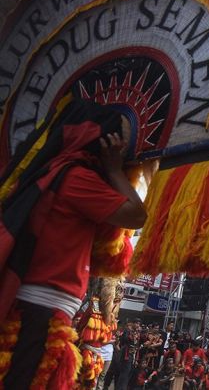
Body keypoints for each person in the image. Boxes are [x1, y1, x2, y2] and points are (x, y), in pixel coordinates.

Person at [0, 98, 147, 388]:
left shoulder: (56, 172)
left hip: (38, 310)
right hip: (41, 314)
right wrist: (116, 170)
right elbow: (136, 215)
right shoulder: (76, 177)